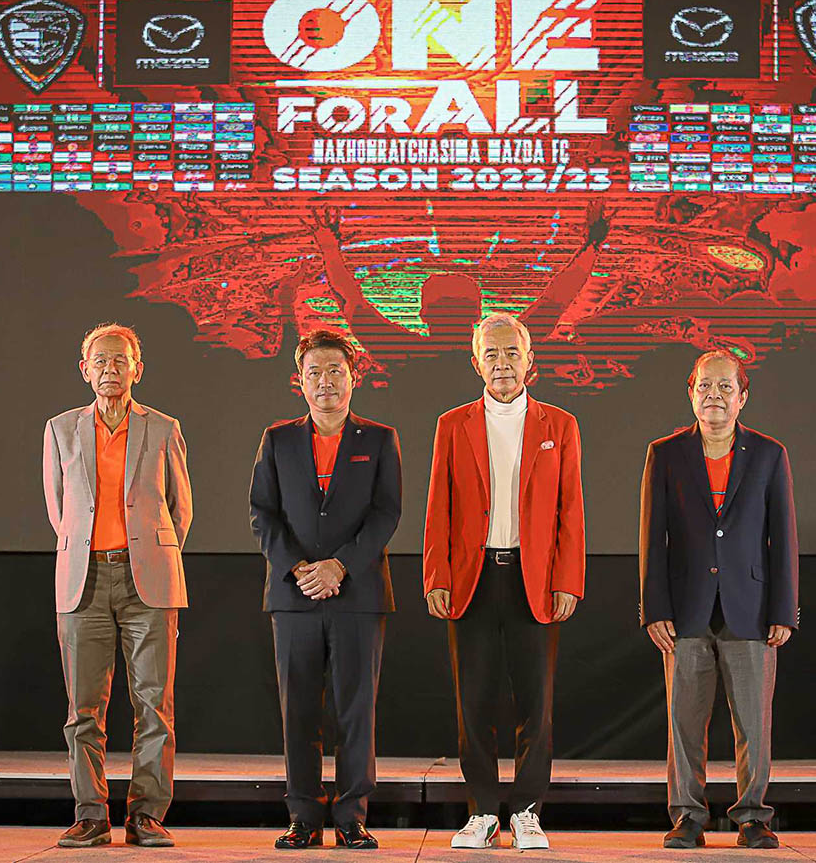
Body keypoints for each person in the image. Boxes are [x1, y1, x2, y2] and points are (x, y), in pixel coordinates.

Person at [422, 313, 585, 850]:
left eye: (512, 352)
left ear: (530, 360)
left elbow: (570, 510)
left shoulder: (560, 425)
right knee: (474, 701)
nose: (502, 364)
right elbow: (438, 506)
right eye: (490, 354)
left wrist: (568, 579)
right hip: (471, 579)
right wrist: (436, 575)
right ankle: (484, 811)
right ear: (475, 363)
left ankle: (528, 812)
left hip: (533, 580)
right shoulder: (452, 424)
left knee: (536, 702)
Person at [639, 350, 799, 850]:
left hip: (750, 609)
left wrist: (784, 609)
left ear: (742, 397)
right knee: (684, 724)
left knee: (753, 723)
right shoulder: (665, 454)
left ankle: (752, 817)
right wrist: (654, 608)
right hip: (685, 610)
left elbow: (783, 537)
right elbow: (652, 537)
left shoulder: (769, 454)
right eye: (705, 386)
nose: (714, 395)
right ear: (691, 393)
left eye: (725, 387)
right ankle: (688, 817)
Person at [250, 329, 402, 850]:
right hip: (294, 596)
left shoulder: (379, 439)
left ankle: (352, 817)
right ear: (300, 381)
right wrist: (299, 569)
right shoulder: (277, 439)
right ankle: (303, 817)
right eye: (314, 372)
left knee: (356, 710)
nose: (325, 382)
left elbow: (386, 513)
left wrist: (340, 566)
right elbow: (262, 514)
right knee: (299, 712)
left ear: (353, 377)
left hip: (358, 594)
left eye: (335, 371)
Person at [42, 322, 192, 848]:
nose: (110, 369)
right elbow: (59, 509)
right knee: (83, 709)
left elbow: (179, 509)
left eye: (120, 360)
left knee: (155, 706)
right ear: (84, 370)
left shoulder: (164, 428)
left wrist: (148, 555)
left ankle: (147, 815)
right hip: (83, 579)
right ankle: (90, 815)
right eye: (100, 361)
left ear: (137, 369)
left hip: (146, 579)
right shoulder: (60, 429)